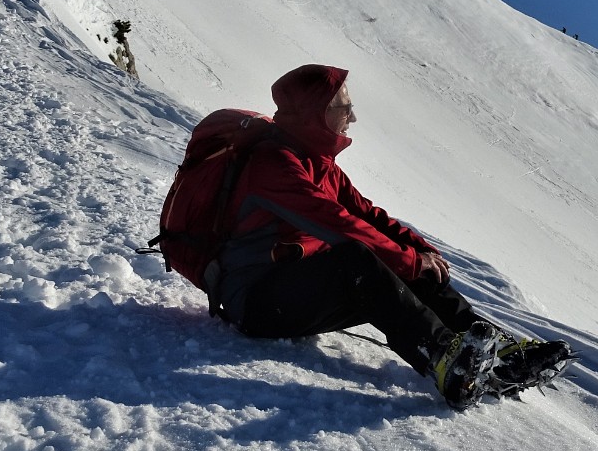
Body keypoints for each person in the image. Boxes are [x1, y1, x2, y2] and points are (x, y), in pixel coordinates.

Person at [209, 64, 565, 409]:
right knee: (359, 258)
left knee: (403, 262)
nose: (353, 117)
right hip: (255, 301)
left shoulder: (319, 162)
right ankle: (442, 357)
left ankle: (494, 353)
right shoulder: (274, 163)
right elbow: (338, 223)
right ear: (317, 112)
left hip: (293, 288)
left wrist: (420, 252)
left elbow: (366, 213)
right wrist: (409, 261)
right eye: (345, 107)